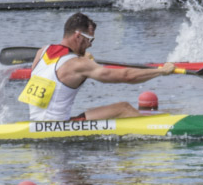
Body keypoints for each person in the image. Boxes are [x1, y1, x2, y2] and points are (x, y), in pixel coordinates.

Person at [18, 12, 176, 122]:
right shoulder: (78, 64)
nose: (90, 45)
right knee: (124, 109)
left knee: (122, 108)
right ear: (78, 36)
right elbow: (126, 76)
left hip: (36, 122)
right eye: (89, 40)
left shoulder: (42, 51)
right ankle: (157, 130)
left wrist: (81, 58)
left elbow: (58, 72)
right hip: (58, 127)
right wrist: (160, 71)